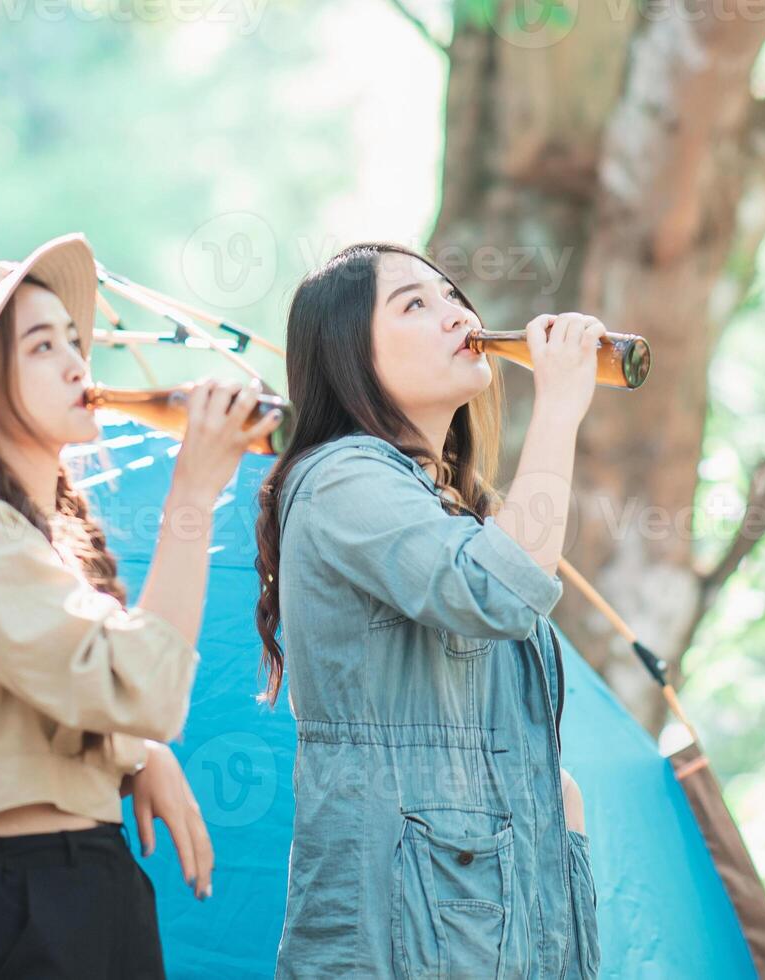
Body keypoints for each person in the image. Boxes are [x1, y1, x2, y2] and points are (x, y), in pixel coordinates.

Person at [0, 234, 280, 978]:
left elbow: (67, 690)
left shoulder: (28, 535)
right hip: (18, 902)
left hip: (95, 881)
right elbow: (142, 687)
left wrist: (135, 756)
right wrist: (190, 495)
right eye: (39, 346)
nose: (76, 364)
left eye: (72, 340)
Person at [253, 242, 603, 977]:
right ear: (348, 355)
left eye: (451, 296)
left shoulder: (448, 507)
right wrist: (562, 403)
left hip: (504, 930)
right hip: (398, 936)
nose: (456, 315)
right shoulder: (341, 478)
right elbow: (501, 589)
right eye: (414, 303)